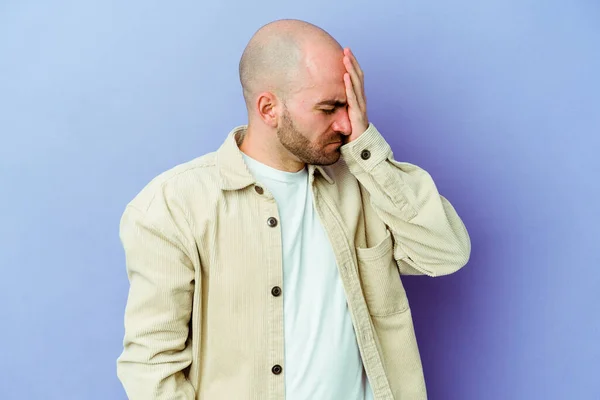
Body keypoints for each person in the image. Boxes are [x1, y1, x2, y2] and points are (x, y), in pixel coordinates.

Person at [116, 18, 471, 400]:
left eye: (350, 105)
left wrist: (367, 149)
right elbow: (151, 366)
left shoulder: (363, 182)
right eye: (329, 107)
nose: (346, 122)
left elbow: (446, 253)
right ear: (269, 108)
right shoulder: (173, 207)